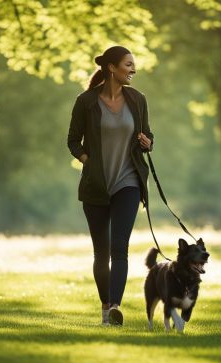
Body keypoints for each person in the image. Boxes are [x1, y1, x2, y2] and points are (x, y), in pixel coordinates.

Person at [67, 46, 154, 326]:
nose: (133, 70)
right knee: (101, 252)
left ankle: (116, 306)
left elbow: (148, 134)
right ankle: (105, 306)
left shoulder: (137, 99)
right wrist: (86, 161)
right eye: (129, 65)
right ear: (112, 68)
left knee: (120, 248)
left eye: (133, 65)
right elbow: (72, 140)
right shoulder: (86, 101)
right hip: (96, 185)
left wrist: (148, 142)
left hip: (128, 182)